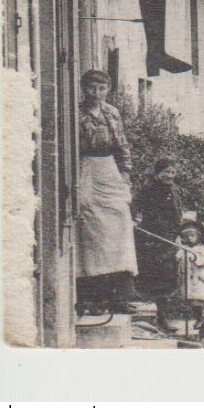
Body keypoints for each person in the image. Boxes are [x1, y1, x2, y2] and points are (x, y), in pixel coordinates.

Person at [74, 70, 138, 314]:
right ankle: (92, 298)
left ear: (108, 89)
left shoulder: (112, 112)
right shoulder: (77, 113)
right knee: (91, 229)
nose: (96, 94)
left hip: (110, 169)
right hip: (87, 168)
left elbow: (121, 143)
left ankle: (119, 296)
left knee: (121, 222)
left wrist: (125, 173)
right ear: (83, 88)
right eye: (91, 88)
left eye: (101, 89)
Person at [133, 157, 184, 329]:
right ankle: (161, 317)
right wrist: (134, 220)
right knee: (156, 279)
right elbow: (135, 205)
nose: (170, 175)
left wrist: (179, 234)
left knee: (169, 278)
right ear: (158, 172)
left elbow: (178, 214)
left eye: (172, 172)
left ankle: (163, 316)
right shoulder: (148, 189)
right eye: (166, 172)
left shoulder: (175, 190)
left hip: (170, 239)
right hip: (153, 239)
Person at [176, 219, 204, 340]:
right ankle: (194, 320)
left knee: (199, 300)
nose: (190, 238)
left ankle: (202, 320)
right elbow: (178, 258)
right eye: (187, 236)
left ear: (198, 236)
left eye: (192, 235)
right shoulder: (183, 249)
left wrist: (197, 260)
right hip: (187, 280)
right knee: (189, 300)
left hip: (199, 279)